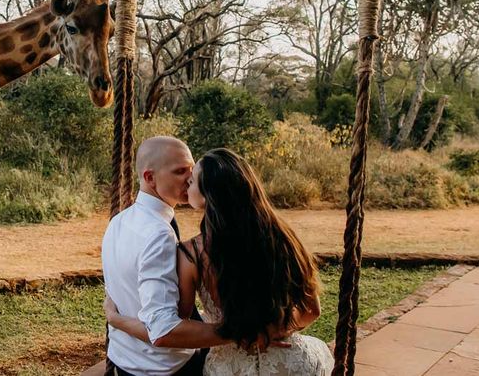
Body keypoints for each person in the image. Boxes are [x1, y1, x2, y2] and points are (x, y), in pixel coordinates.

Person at [105, 146, 333, 376]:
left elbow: (175, 326)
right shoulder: (283, 236)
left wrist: (118, 320)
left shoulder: (192, 253)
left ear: (208, 195)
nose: (187, 183)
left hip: (230, 368)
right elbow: (312, 310)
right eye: (183, 173)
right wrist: (270, 330)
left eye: (192, 178)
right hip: (289, 363)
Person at [102, 136, 241, 376]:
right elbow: (164, 330)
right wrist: (241, 333)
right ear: (149, 178)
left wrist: (116, 320)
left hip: (124, 361)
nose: (190, 178)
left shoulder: (118, 221)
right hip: (165, 369)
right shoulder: (158, 234)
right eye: (179, 172)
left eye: (191, 170)